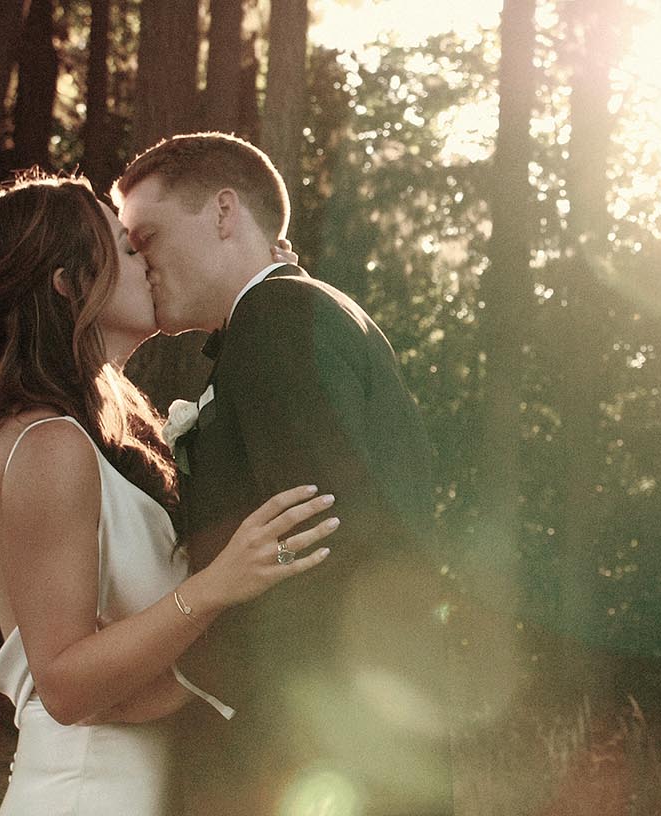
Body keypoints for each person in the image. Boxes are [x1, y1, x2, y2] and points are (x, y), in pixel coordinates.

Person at [0, 173, 336, 815]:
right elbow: (64, 687)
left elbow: (140, 680)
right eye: (125, 246)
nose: (147, 261)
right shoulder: (50, 445)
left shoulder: (74, 437)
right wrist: (217, 587)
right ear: (68, 283)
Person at [114, 132, 453, 815]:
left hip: (320, 755)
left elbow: (324, 546)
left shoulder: (277, 320)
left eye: (146, 237)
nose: (139, 263)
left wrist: (190, 683)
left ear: (223, 212)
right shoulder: (293, 314)